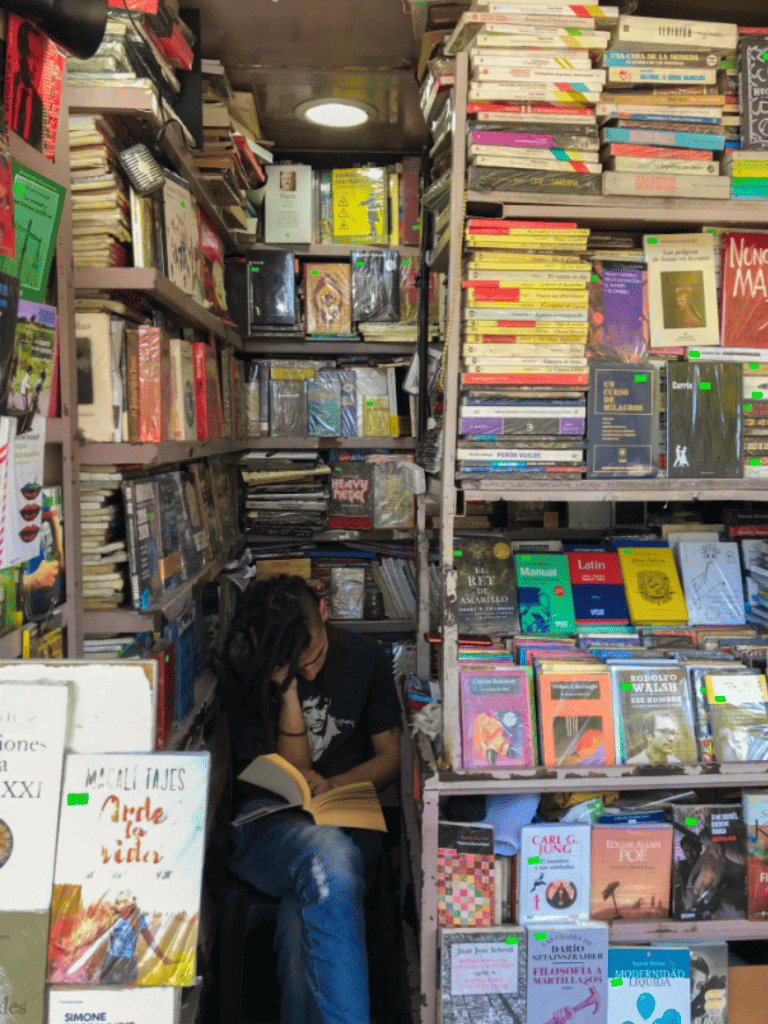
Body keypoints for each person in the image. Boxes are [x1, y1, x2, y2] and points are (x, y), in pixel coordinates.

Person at [217, 574, 403, 1024]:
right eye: (297, 666)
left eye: (315, 656)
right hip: (267, 827)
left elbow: (390, 758)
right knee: (326, 857)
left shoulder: (366, 659)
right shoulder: (255, 671)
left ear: (324, 610)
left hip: (347, 816)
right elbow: (295, 777)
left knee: (305, 912)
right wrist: (288, 694)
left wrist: (335, 786)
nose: (311, 671)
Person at [9, 20, 45, 151]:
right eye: (31, 55)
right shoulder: (8, 84)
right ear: (20, 53)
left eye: (38, 59)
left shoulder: (39, 104)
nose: (35, 66)